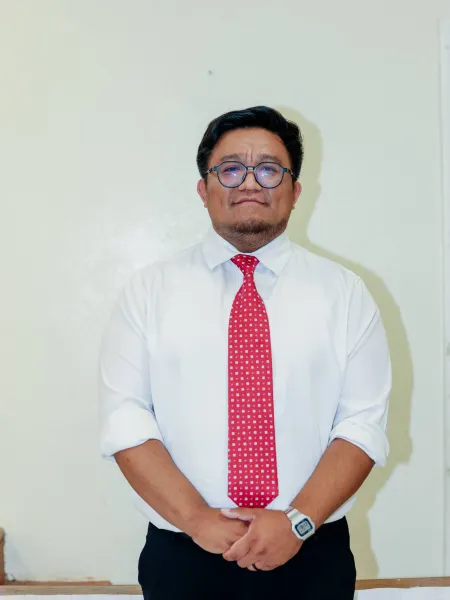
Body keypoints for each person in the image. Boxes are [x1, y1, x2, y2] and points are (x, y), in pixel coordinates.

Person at [98, 106, 391, 600]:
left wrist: (296, 522)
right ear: (203, 189)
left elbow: (362, 424)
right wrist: (197, 519)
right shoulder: (148, 292)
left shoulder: (345, 293)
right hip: (184, 554)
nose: (250, 182)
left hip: (311, 552)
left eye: (269, 169)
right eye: (231, 168)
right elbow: (125, 419)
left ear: (296, 191)